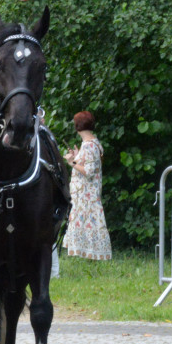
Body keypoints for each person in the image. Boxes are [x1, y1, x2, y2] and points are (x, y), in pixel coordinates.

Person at [62, 110, 112, 260]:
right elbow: (89, 164)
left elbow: (89, 171)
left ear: (78, 127)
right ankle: (88, 253)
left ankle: (94, 253)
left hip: (86, 194)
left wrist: (71, 162)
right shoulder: (91, 143)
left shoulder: (89, 146)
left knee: (90, 221)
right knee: (87, 221)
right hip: (85, 193)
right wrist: (78, 156)